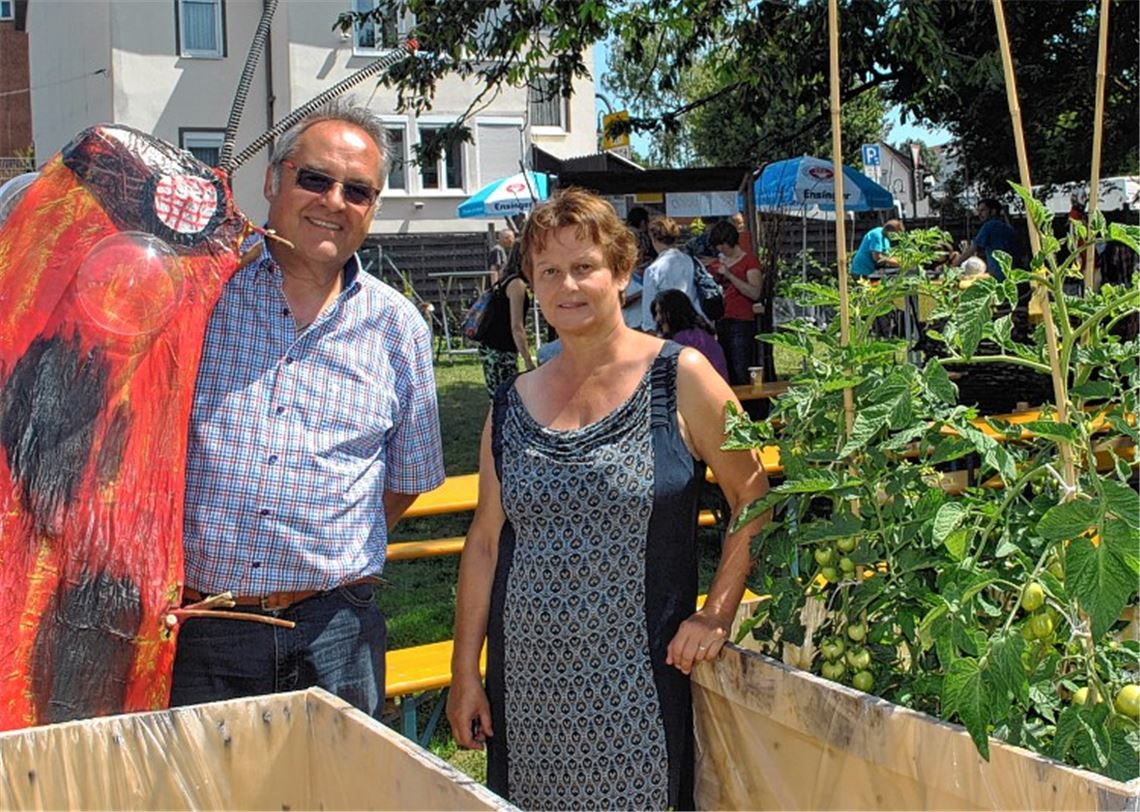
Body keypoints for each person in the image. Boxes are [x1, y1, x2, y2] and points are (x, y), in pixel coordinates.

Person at [446, 188, 769, 810]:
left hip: (639, 683)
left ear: (622, 273)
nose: (568, 284)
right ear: (533, 284)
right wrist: (466, 674)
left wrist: (717, 612)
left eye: (584, 266)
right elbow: (485, 544)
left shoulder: (682, 377)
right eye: (549, 271)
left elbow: (752, 495)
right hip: (527, 686)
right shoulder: (510, 404)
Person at [172, 99, 446, 719]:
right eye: (315, 178)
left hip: (334, 630)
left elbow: (405, 482)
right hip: (202, 628)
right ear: (273, 180)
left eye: (358, 191)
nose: (334, 201)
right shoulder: (200, 300)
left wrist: (323, 553)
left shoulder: (398, 326)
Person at [707, 218, 763, 385]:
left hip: (741, 321)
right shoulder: (718, 263)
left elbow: (755, 293)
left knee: (741, 369)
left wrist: (730, 275)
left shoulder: (749, 261)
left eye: (721, 245)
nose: (719, 249)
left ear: (729, 242)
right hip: (721, 320)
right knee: (726, 369)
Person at [477, 262, 535, 396]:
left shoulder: (505, 279)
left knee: (497, 398)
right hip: (500, 351)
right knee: (505, 399)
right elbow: (516, 326)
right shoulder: (517, 285)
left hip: (490, 348)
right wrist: (528, 360)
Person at [640, 215, 703, 332]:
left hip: (667, 329)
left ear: (653, 238)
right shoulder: (690, 261)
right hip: (691, 326)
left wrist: (649, 330)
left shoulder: (654, 269)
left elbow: (648, 312)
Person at [652, 289, 730, 382]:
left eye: (661, 312)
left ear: (674, 312)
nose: (657, 318)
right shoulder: (698, 334)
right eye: (656, 313)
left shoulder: (685, 339)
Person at [955, 198, 1016, 281]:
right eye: (978, 211)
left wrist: (954, 266)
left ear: (993, 211)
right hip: (1013, 275)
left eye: (983, 210)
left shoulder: (989, 226)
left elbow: (972, 249)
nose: (979, 214)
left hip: (1000, 277)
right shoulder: (1007, 227)